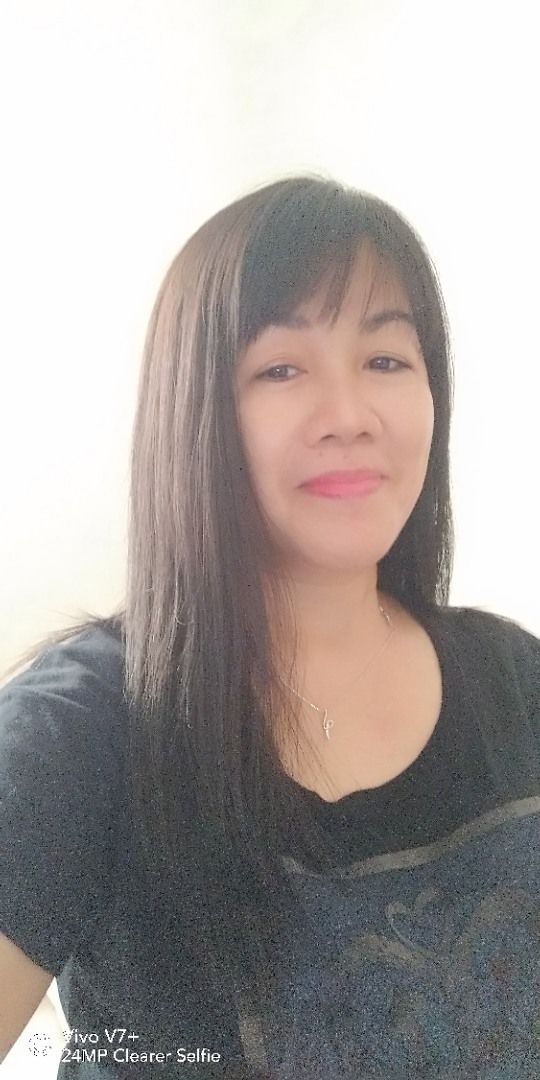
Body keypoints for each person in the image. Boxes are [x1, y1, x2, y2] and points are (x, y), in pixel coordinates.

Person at [1, 174, 539, 1079]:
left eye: (386, 360)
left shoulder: (516, 682)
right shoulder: (77, 737)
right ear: (194, 410)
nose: (349, 417)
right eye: (281, 369)